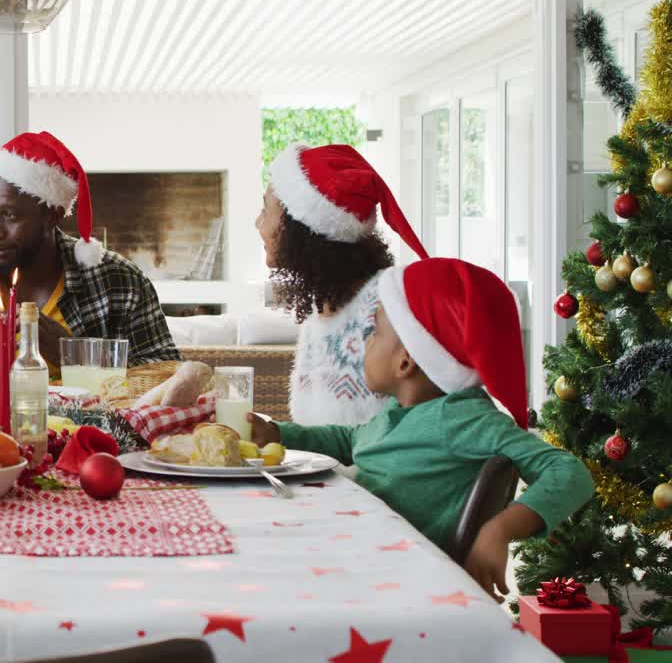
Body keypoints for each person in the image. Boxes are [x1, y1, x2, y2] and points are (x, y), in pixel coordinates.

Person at [248, 257, 594, 599]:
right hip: (360, 556)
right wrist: (278, 433)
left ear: (405, 361)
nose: (366, 342)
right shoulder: (400, 411)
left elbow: (569, 472)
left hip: (393, 584)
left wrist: (500, 529)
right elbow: (351, 440)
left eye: (376, 332)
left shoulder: (461, 418)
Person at [0, 131, 180, 376]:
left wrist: (74, 355)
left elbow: (168, 376)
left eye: (10, 215)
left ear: (52, 216)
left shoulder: (119, 281)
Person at [255, 142, 429, 427]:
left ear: (299, 229)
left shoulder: (389, 307)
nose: (258, 223)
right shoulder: (321, 312)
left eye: (265, 210)